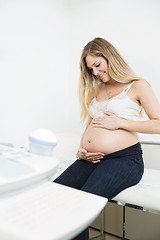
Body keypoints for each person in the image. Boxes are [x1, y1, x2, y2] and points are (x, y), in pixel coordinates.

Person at [54, 37, 160, 240]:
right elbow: (92, 122)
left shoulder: (137, 85)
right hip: (92, 160)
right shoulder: (98, 90)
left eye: (97, 64)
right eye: (90, 69)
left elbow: (158, 123)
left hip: (125, 160)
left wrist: (120, 123)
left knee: (79, 206)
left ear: (109, 57)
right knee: (55, 194)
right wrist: (81, 149)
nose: (95, 72)